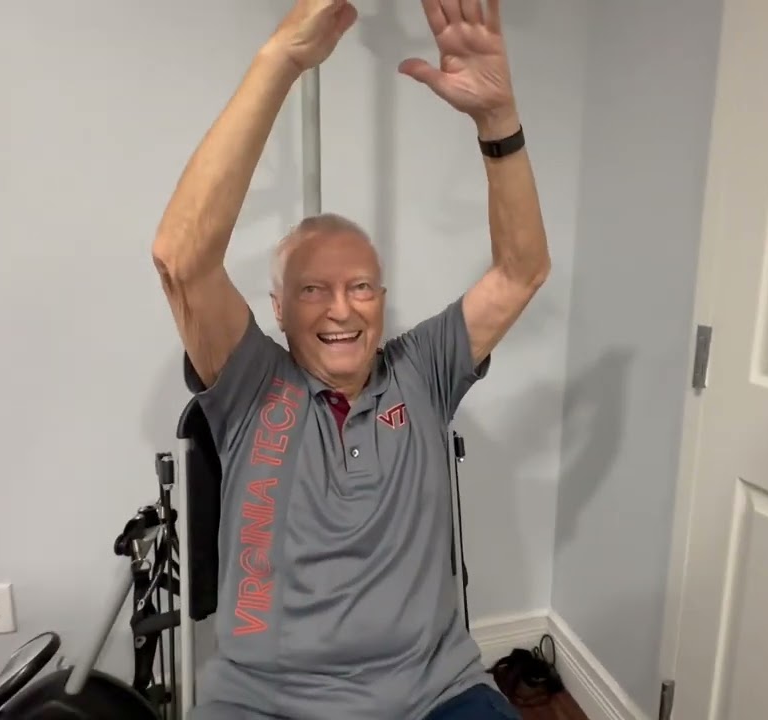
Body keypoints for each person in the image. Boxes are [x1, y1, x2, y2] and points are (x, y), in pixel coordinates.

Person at [151, 0, 549, 717]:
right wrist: (281, 60)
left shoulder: (422, 367)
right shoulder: (250, 383)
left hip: (435, 694)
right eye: (312, 290)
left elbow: (521, 272)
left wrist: (498, 123)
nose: (341, 309)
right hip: (267, 703)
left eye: (360, 286)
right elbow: (180, 259)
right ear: (276, 309)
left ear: (383, 297)